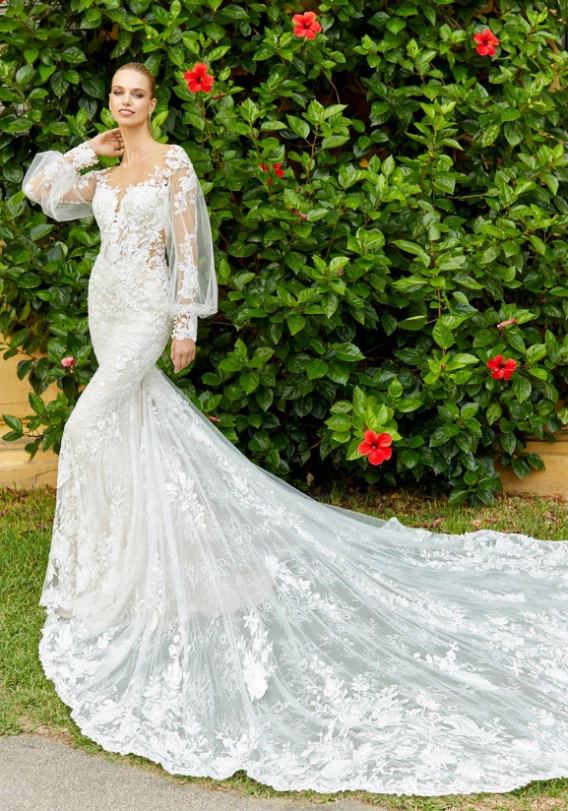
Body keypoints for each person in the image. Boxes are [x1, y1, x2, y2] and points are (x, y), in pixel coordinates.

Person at [21, 62, 568, 797]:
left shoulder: (173, 163)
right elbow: (42, 188)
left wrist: (185, 323)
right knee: (128, 430)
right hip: (105, 306)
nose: (124, 102)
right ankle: (123, 563)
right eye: (117, 93)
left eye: (136, 93)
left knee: (86, 428)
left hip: (147, 311)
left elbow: (187, 245)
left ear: (154, 102)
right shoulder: (108, 174)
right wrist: (88, 148)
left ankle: (107, 567)